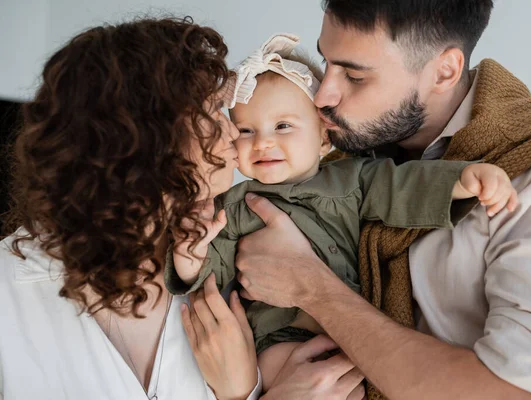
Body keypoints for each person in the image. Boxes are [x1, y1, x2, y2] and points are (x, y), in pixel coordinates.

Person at [230, 1, 531, 399]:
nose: (322, 95)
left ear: (444, 71)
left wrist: (314, 290)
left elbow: (523, 393)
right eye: (326, 63)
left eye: (354, 75)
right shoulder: (331, 165)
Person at [0, 17, 366, 400]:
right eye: (210, 113)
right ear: (144, 136)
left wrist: (244, 393)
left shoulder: (244, 261)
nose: (232, 133)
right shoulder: (8, 292)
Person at [166, 33, 519, 390]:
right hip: (277, 336)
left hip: (352, 328)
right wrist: (188, 256)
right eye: (245, 130)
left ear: (324, 137)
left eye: (283, 126)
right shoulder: (234, 204)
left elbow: (405, 187)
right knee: (280, 373)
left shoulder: (353, 177)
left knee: (359, 380)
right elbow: (212, 273)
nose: (264, 142)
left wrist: (463, 179)